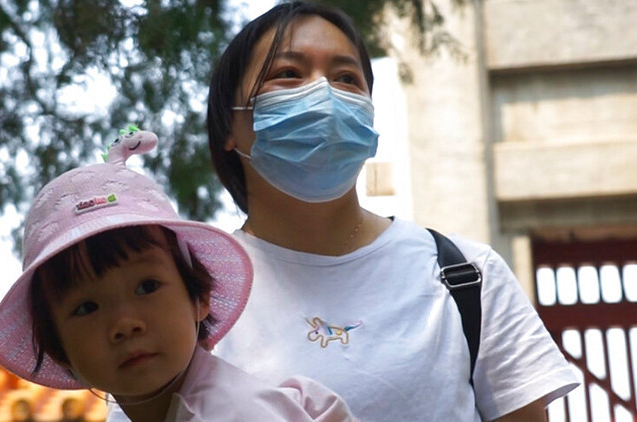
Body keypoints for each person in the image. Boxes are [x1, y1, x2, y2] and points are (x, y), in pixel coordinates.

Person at [202, 1, 579, 421]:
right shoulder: (195, 297)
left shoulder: (467, 275)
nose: (324, 95)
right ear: (229, 126)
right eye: (289, 73)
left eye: (346, 78)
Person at [0, 127, 357, 422]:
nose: (125, 324)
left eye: (147, 286)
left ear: (200, 295)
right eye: (86, 307)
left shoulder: (232, 412)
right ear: (58, 349)